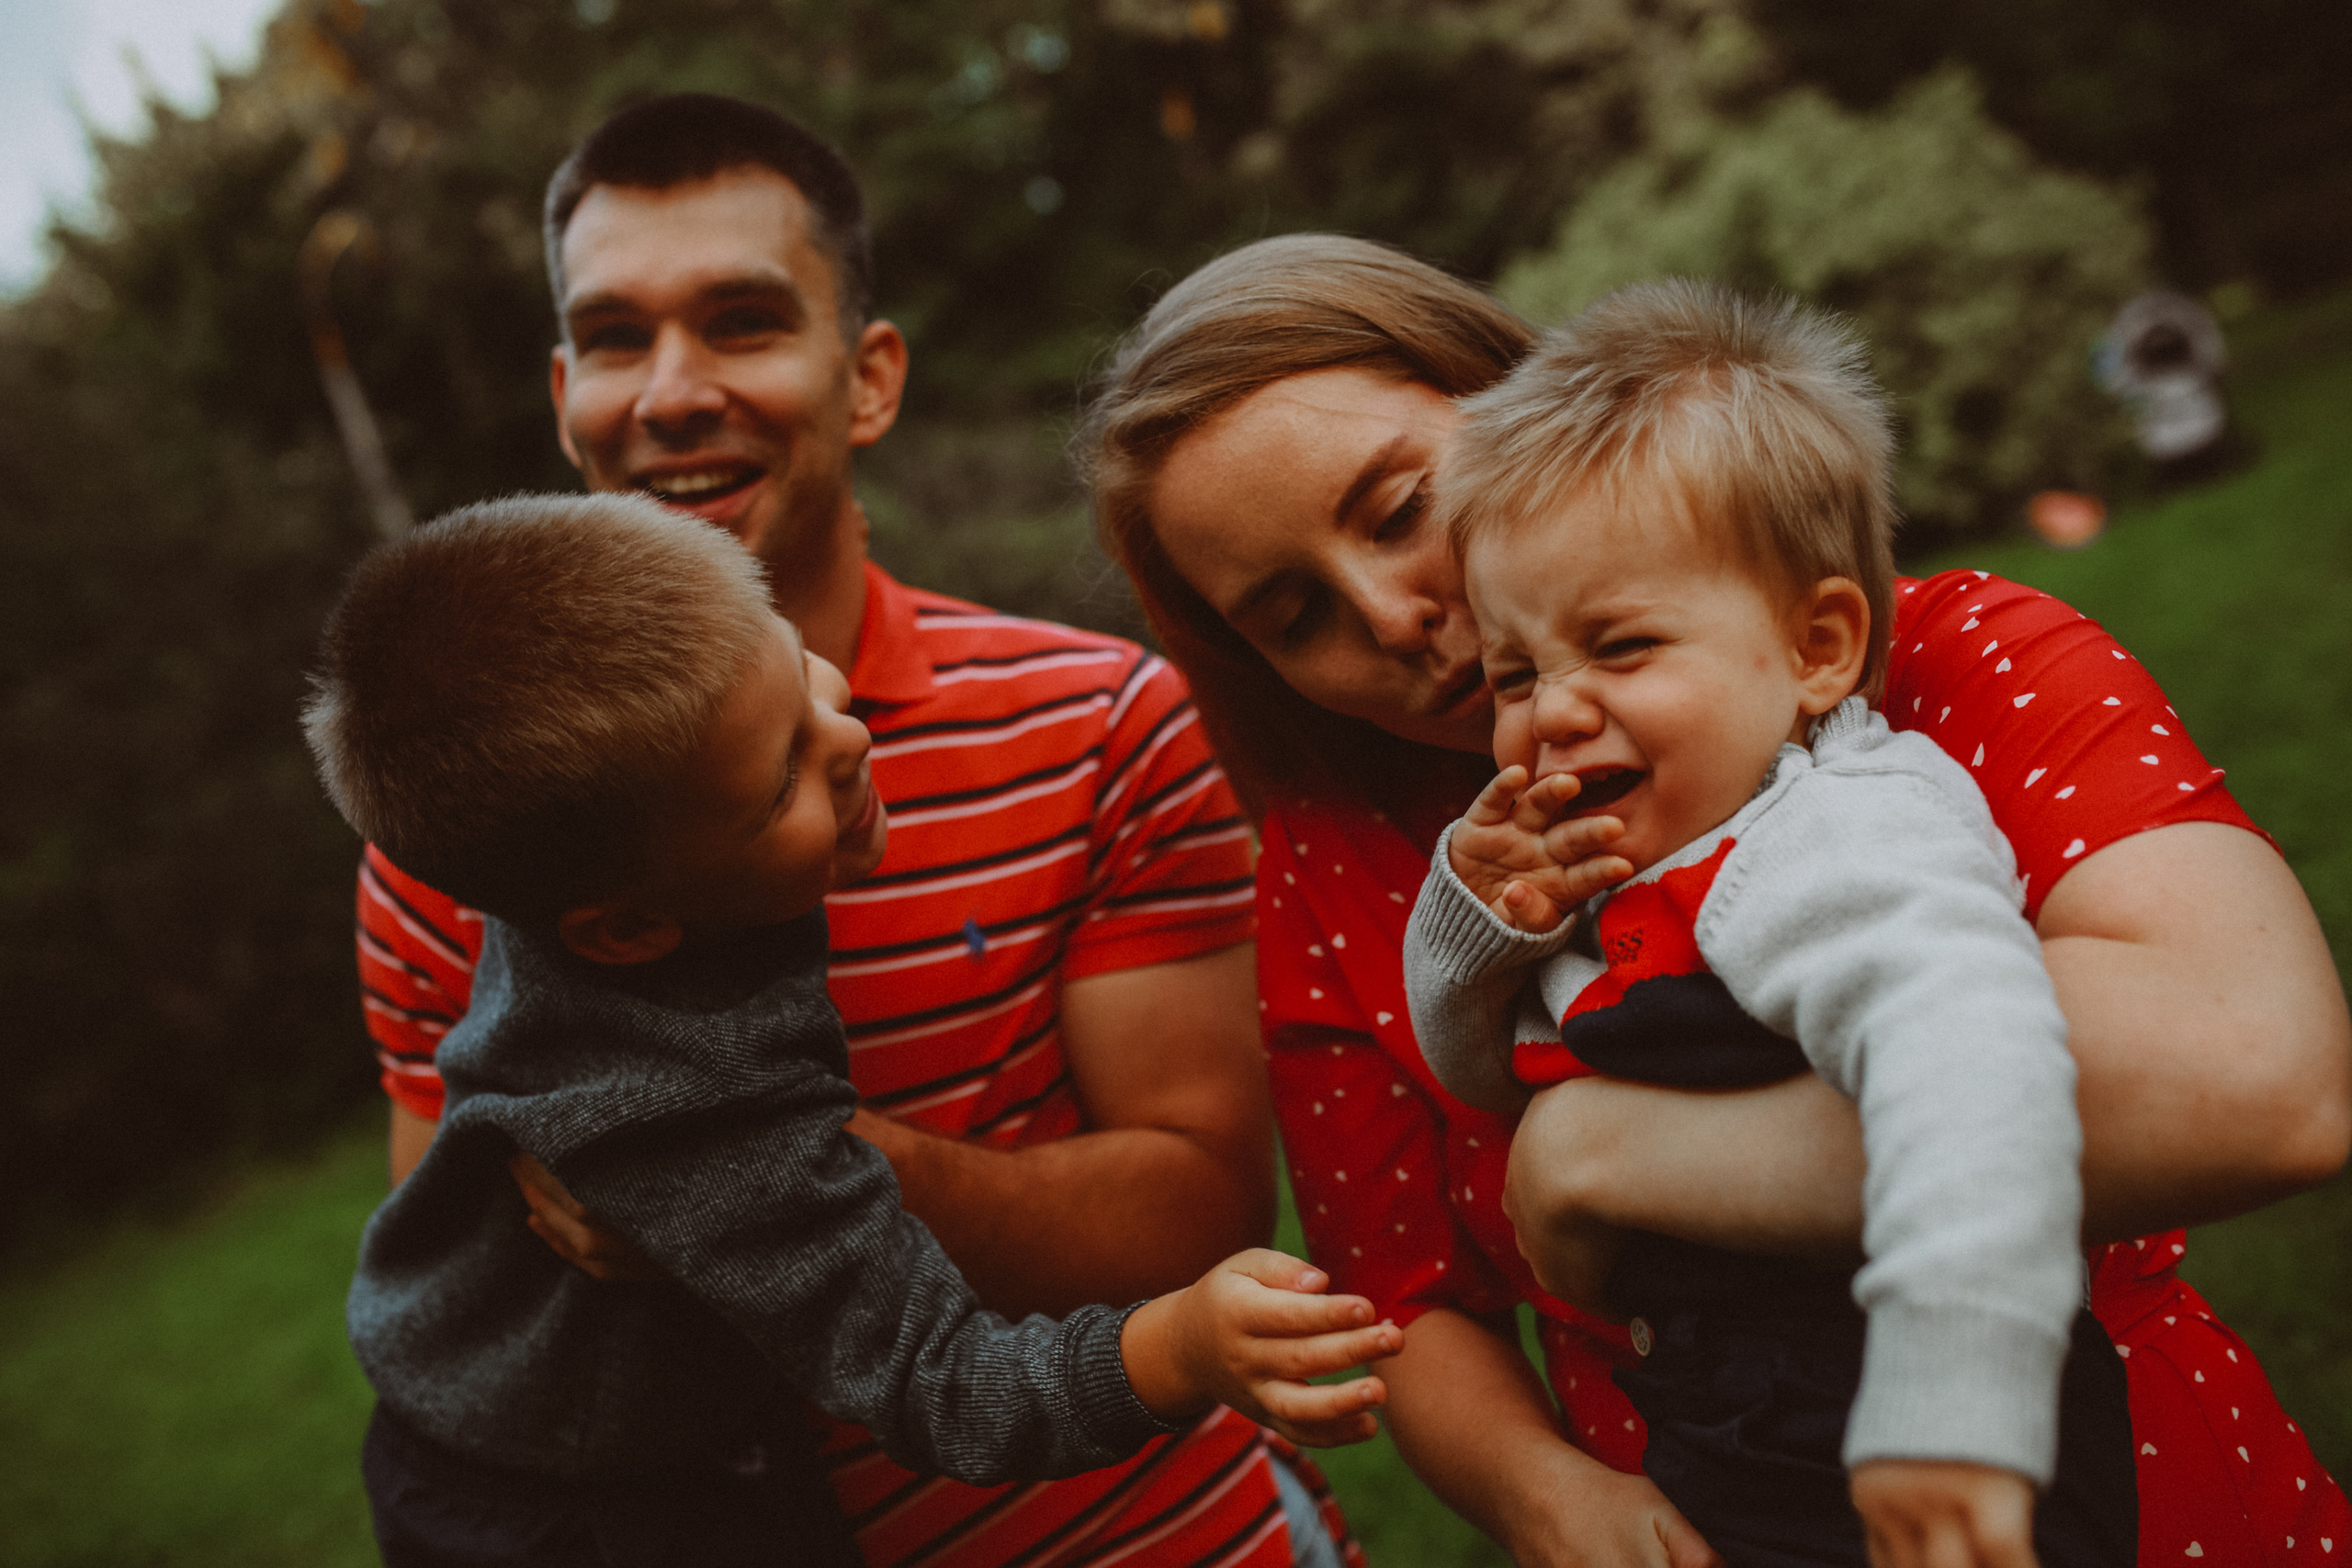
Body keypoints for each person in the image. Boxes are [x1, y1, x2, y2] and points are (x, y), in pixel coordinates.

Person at [1078, 233, 2352, 1567]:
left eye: (1399, 510)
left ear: (1514, 396)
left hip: (2053, 1469)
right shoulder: (1340, 862)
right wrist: (1540, 1493)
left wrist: (1603, 1158)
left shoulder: (1920, 685)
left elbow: (2258, 1077)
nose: (1388, 613)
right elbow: (1408, 1300)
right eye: (1293, 615)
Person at [355, 96, 1363, 1567]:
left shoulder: (1100, 724)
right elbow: (471, 1293)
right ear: (566, 391)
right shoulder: (478, 847)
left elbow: (1206, 1211)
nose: (673, 391)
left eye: (745, 321)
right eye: (618, 338)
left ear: (868, 375)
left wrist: (781, 1171)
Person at [310, 492, 1396, 1567]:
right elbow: (947, 1387)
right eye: (782, 775)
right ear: (631, 928)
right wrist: (1180, 1344)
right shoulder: (694, 1114)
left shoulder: (606, 843)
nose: (845, 738)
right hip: (579, 1508)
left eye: (796, 670)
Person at [1401, 281, 2133, 1567]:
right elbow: (1478, 1069)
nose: (1553, 711)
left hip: (1905, 1424)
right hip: (1750, 1436)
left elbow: (1971, 1062)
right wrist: (1483, 916)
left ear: (1817, 646)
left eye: (1619, 644)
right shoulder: (1652, 852)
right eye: (1516, 674)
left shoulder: (1832, 836)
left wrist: (1953, 1396)